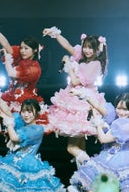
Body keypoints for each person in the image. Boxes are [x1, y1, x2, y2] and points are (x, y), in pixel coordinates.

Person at [0, 85, 66, 192]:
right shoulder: (21, 122)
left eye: (30, 111)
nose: (26, 115)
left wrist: (8, 123)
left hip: (28, 166)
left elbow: (14, 138)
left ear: (37, 113)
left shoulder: (37, 129)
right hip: (14, 161)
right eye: (24, 111)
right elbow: (7, 111)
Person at [42, 26, 108, 165]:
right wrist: (54, 33)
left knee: (71, 147)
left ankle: (91, 166)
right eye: (85, 47)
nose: (87, 50)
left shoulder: (95, 64)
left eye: (91, 48)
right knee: (80, 145)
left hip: (82, 101)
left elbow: (76, 81)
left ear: (97, 49)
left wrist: (69, 65)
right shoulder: (82, 58)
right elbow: (67, 46)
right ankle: (84, 173)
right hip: (74, 97)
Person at [0, 21, 50, 135]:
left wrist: (7, 58)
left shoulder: (34, 68)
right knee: (9, 131)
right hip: (11, 97)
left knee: (22, 132)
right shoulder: (21, 57)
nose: (22, 51)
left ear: (34, 50)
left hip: (26, 102)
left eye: (26, 48)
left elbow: (11, 73)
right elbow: (7, 46)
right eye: (22, 48)